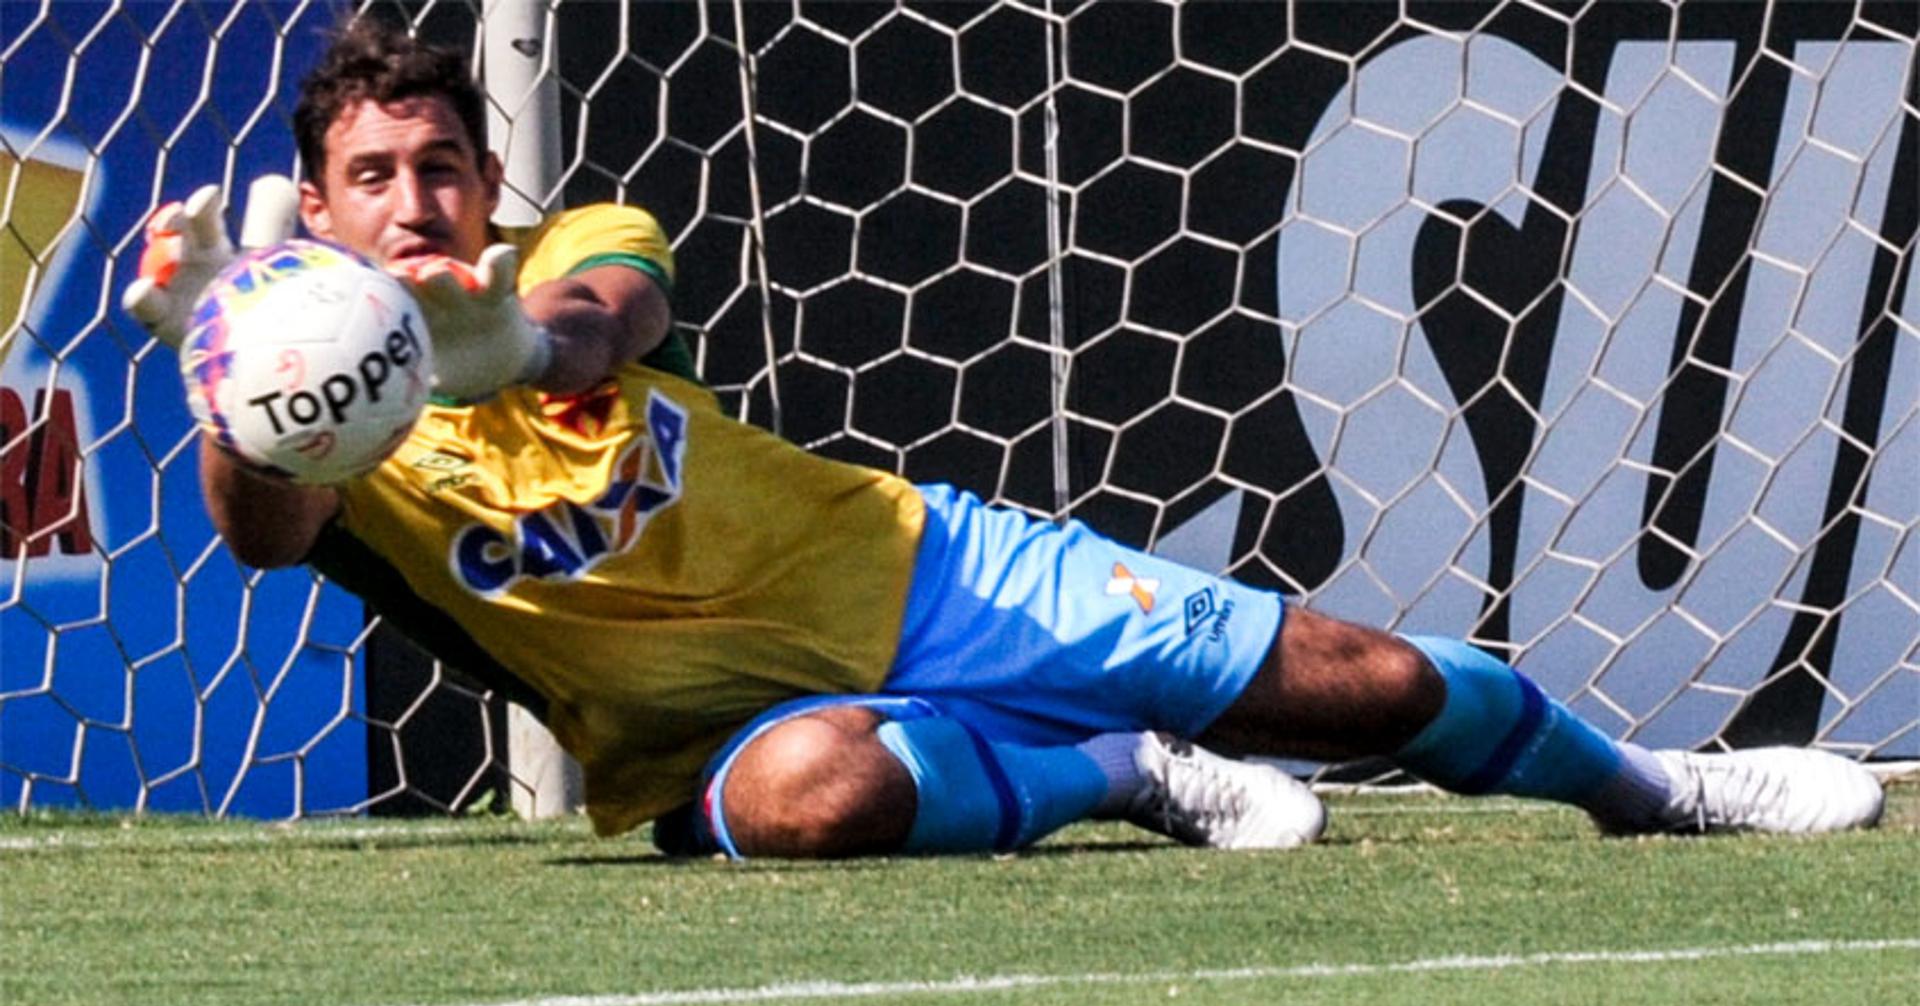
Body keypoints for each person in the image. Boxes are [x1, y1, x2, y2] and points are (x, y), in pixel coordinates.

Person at [124, 20, 1884, 859]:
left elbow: (607, 325)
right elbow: (268, 534)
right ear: (328, 209)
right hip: (717, 740)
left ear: (486, 179)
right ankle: (1113, 768)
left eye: (440, 165)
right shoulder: (321, 406)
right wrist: (235, 378)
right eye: (377, 177)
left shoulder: (573, 243)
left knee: (1364, 687)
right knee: (824, 804)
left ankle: (1659, 790)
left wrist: (491, 325)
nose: (416, 198)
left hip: (921, 570)